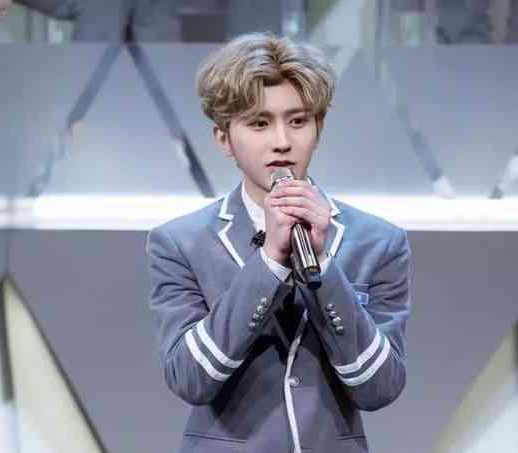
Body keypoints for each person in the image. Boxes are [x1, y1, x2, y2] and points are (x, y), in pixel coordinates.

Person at [146, 32, 412, 453]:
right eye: (259, 123)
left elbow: (379, 387)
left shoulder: (378, 242)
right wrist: (269, 260)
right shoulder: (180, 243)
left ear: (318, 130)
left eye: (298, 121)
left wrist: (324, 264)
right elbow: (191, 378)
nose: (282, 141)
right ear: (223, 139)